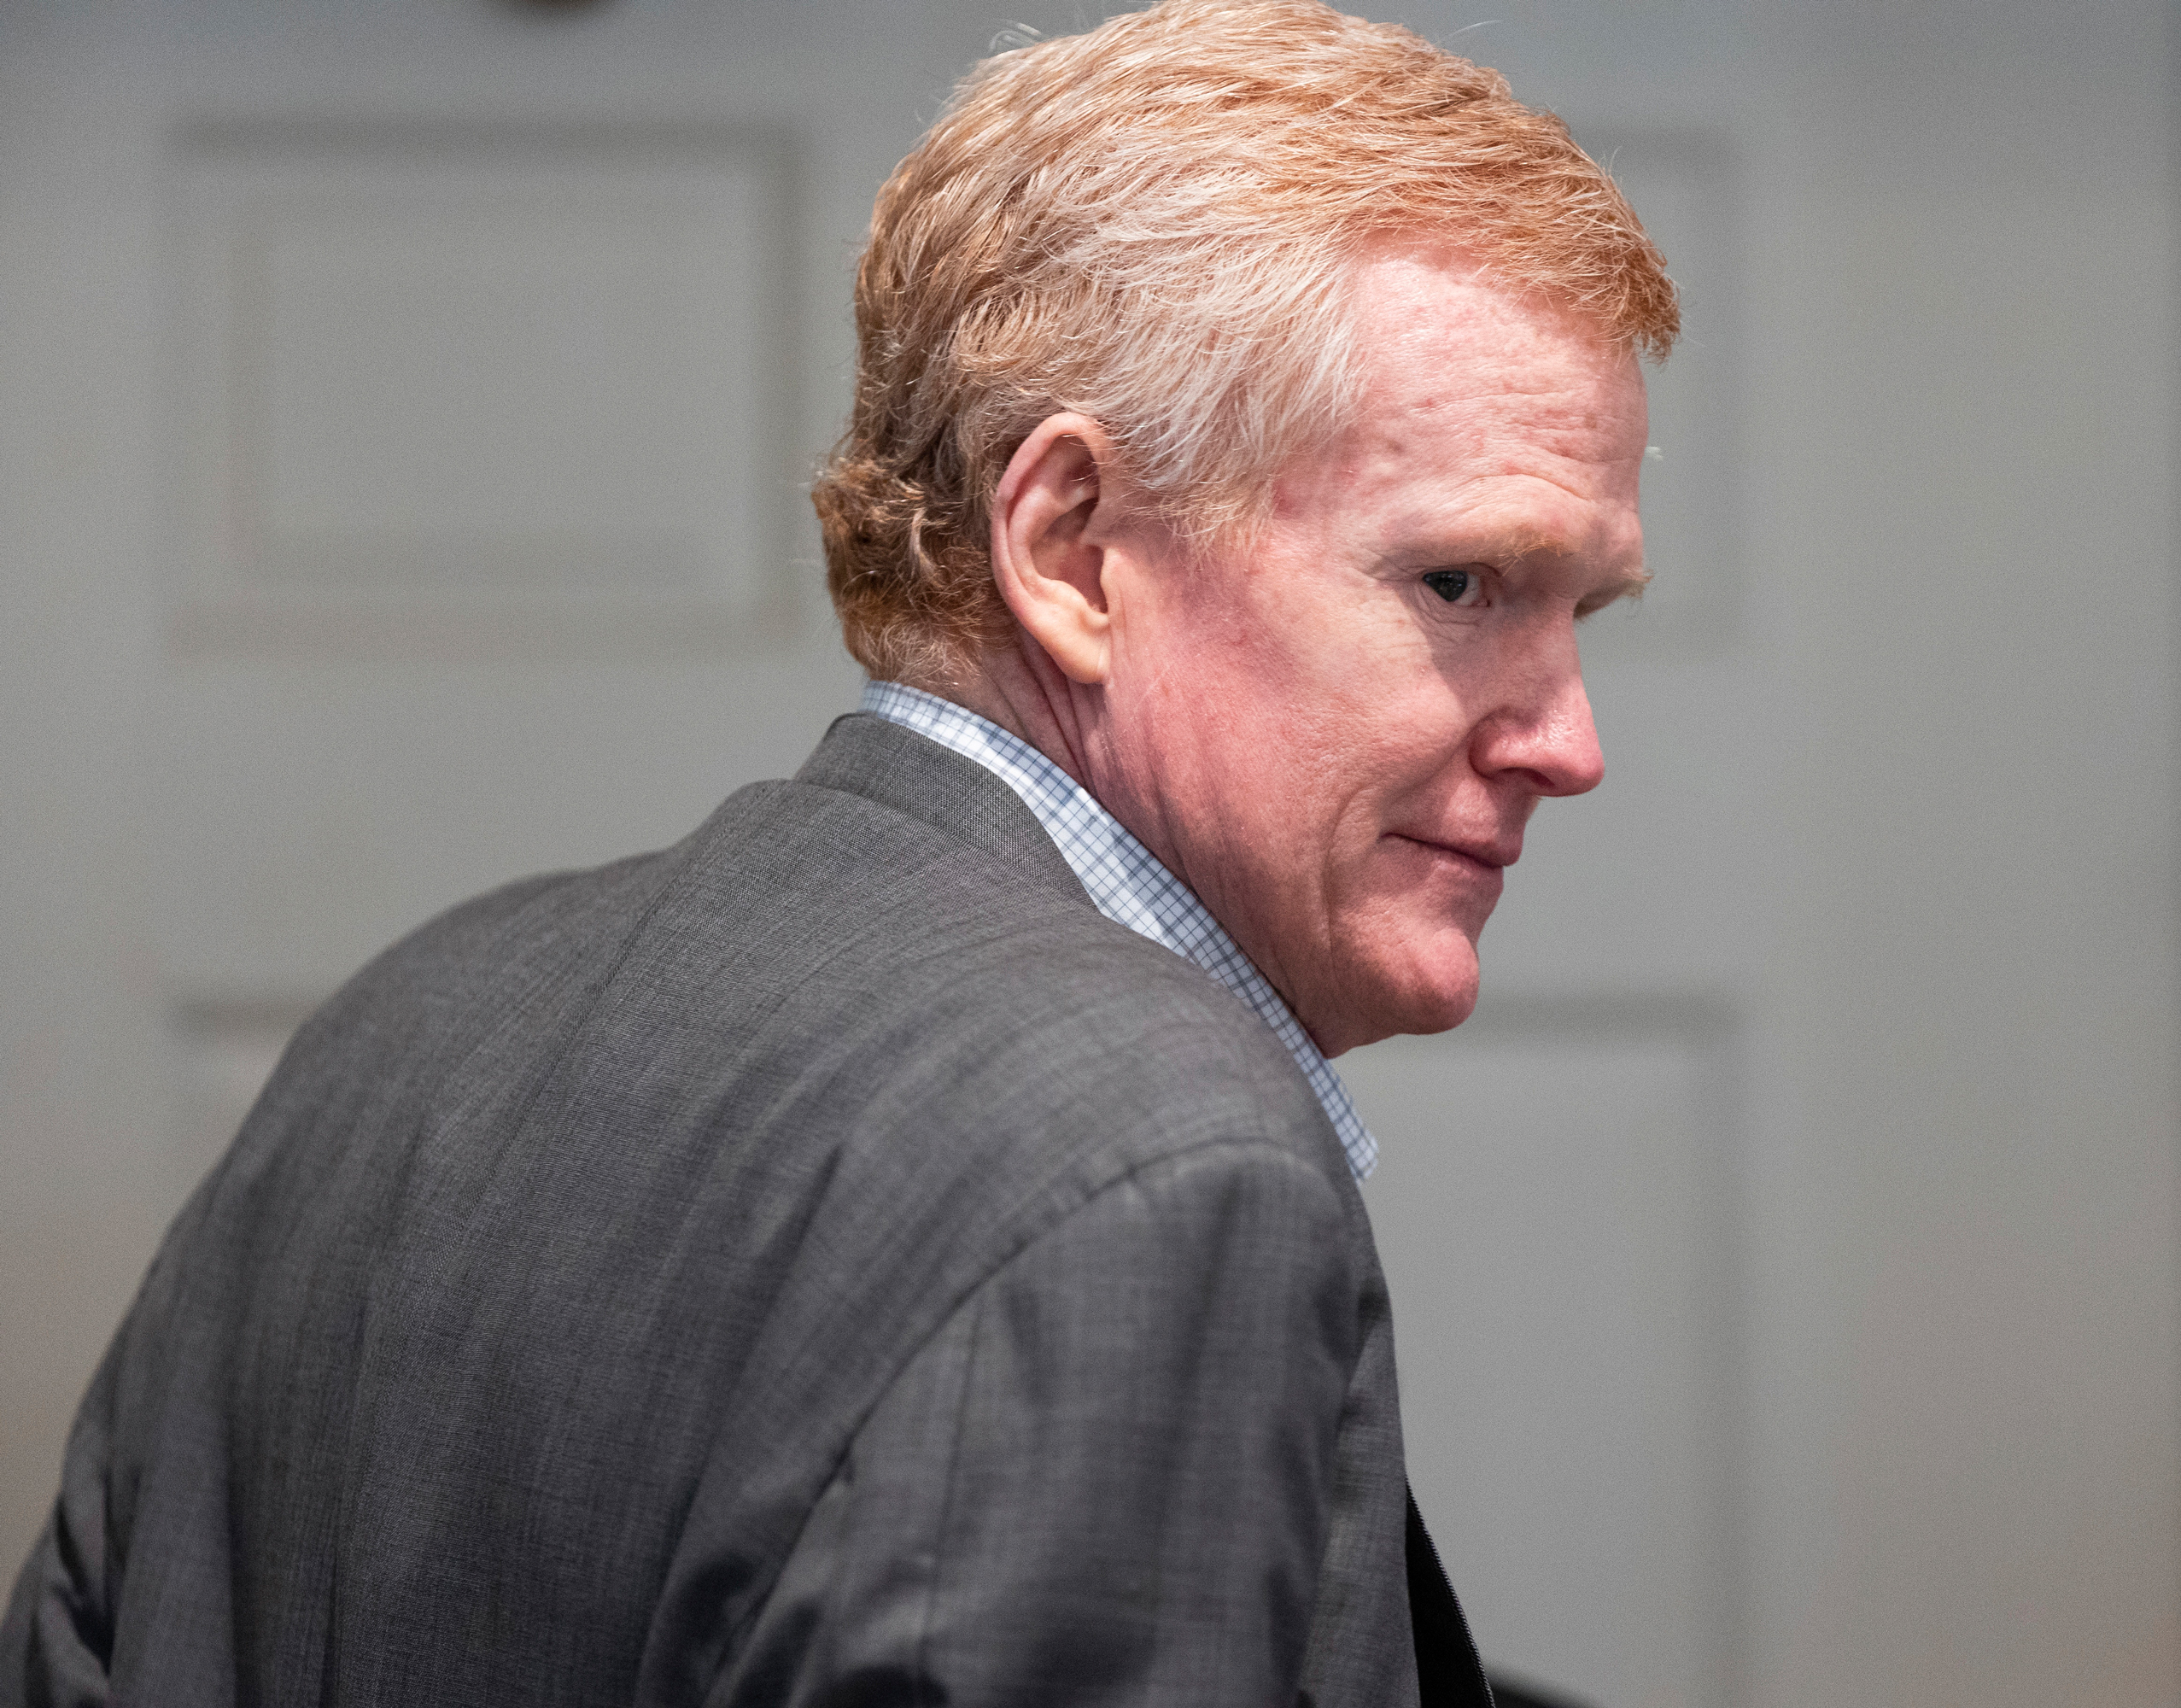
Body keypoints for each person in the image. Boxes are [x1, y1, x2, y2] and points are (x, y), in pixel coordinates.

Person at [1, 2, 1676, 1702]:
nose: (1573, 740)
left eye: (1583, 609)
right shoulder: (1155, 1170)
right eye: (1462, 586)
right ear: (1073, 548)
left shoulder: (414, 1030)